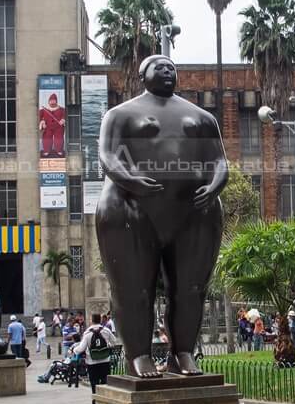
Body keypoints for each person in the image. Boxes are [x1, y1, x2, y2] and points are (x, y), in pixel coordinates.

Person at [96, 55, 228, 377]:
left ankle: (182, 352)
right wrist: (130, 180)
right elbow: (107, 156)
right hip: (131, 209)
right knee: (134, 289)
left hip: (192, 211)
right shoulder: (120, 114)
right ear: (143, 74)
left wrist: (214, 187)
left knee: (190, 289)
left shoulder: (200, 117)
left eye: (171, 67)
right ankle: (138, 354)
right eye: (160, 67)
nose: (167, 71)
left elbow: (219, 162)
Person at [74, 313, 117, 404]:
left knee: (94, 383)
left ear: (91, 320)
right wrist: (108, 345)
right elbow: (114, 341)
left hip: (92, 362)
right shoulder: (106, 330)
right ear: (100, 320)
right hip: (105, 361)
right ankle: (105, 401)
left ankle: (95, 402)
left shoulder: (87, 333)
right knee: (105, 382)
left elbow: (81, 348)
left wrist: (74, 350)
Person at [39, 92, 66, 157]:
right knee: (46, 138)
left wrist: (63, 120)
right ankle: (46, 151)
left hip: (58, 127)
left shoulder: (62, 109)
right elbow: (38, 117)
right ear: (49, 102)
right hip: (47, 127)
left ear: (56, 101)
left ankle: (59, 150)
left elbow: (65, 115)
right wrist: (42, 122)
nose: (52, 102)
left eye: (54, 101)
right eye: (51, 101)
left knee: (59, 139)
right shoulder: (44, 110)